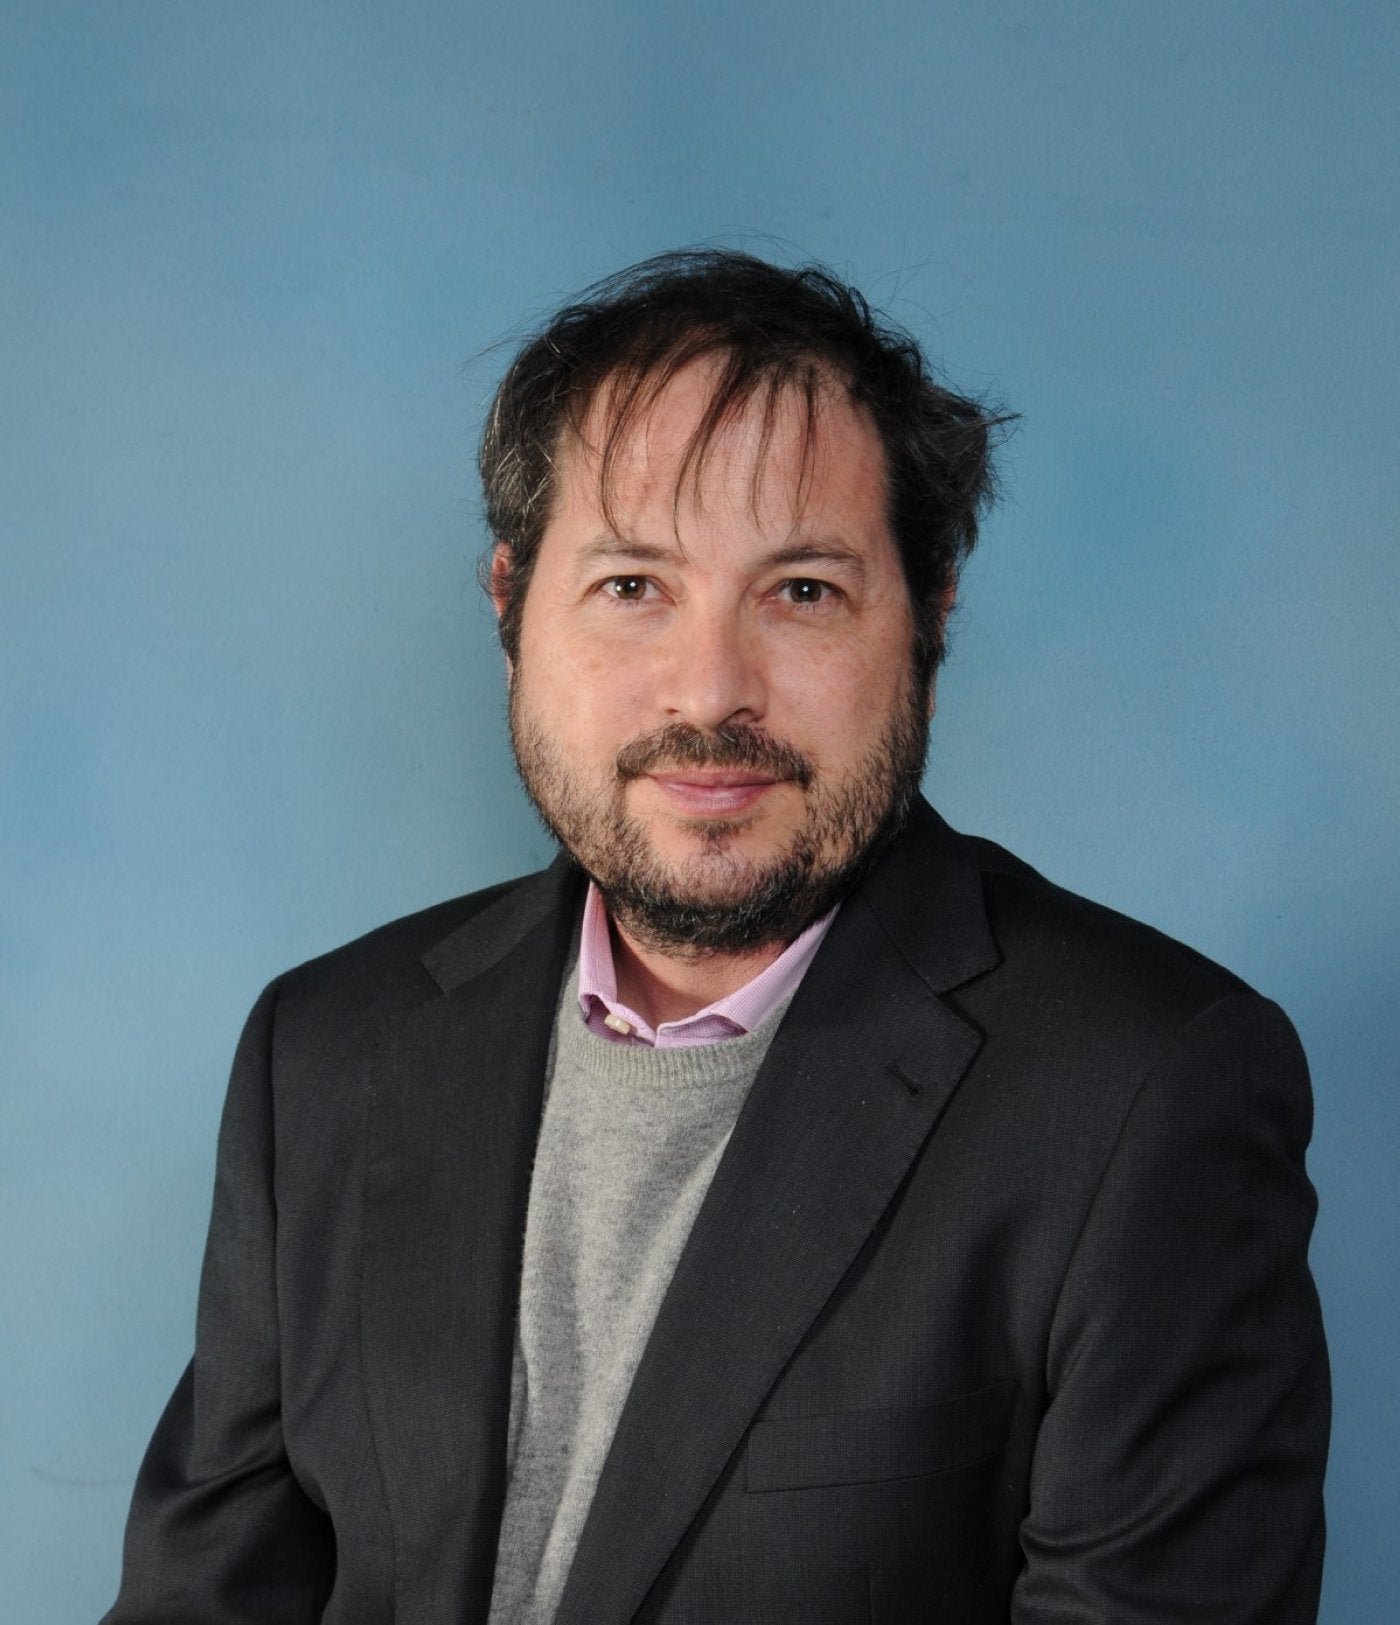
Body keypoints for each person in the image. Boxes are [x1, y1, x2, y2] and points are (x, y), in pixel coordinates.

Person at [105, 250, 1329, 1624]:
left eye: (802, 590)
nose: (711, 691)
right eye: (634, 585)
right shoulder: (327, 1050)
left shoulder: (1149, 1087)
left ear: (928, 623)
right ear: (510, 608)